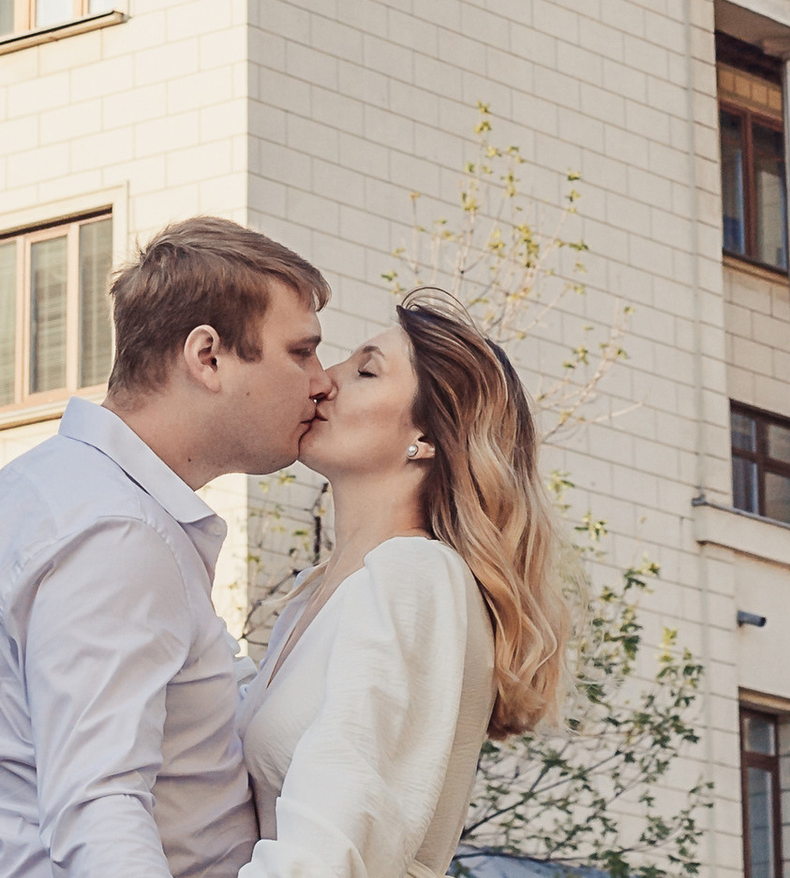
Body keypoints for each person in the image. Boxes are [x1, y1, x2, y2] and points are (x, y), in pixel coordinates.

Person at [0, 216, 334, 878]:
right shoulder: (116, 530)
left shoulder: (62, 493)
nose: (321, 382)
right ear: (208, 357)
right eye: (301, 352)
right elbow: (100, 808)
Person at [234, 287, 570, 878]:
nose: (323, 381)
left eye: (365, 371)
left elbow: (329, 843)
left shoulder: (416, 577)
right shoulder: (318, 594)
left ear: (428, 439)